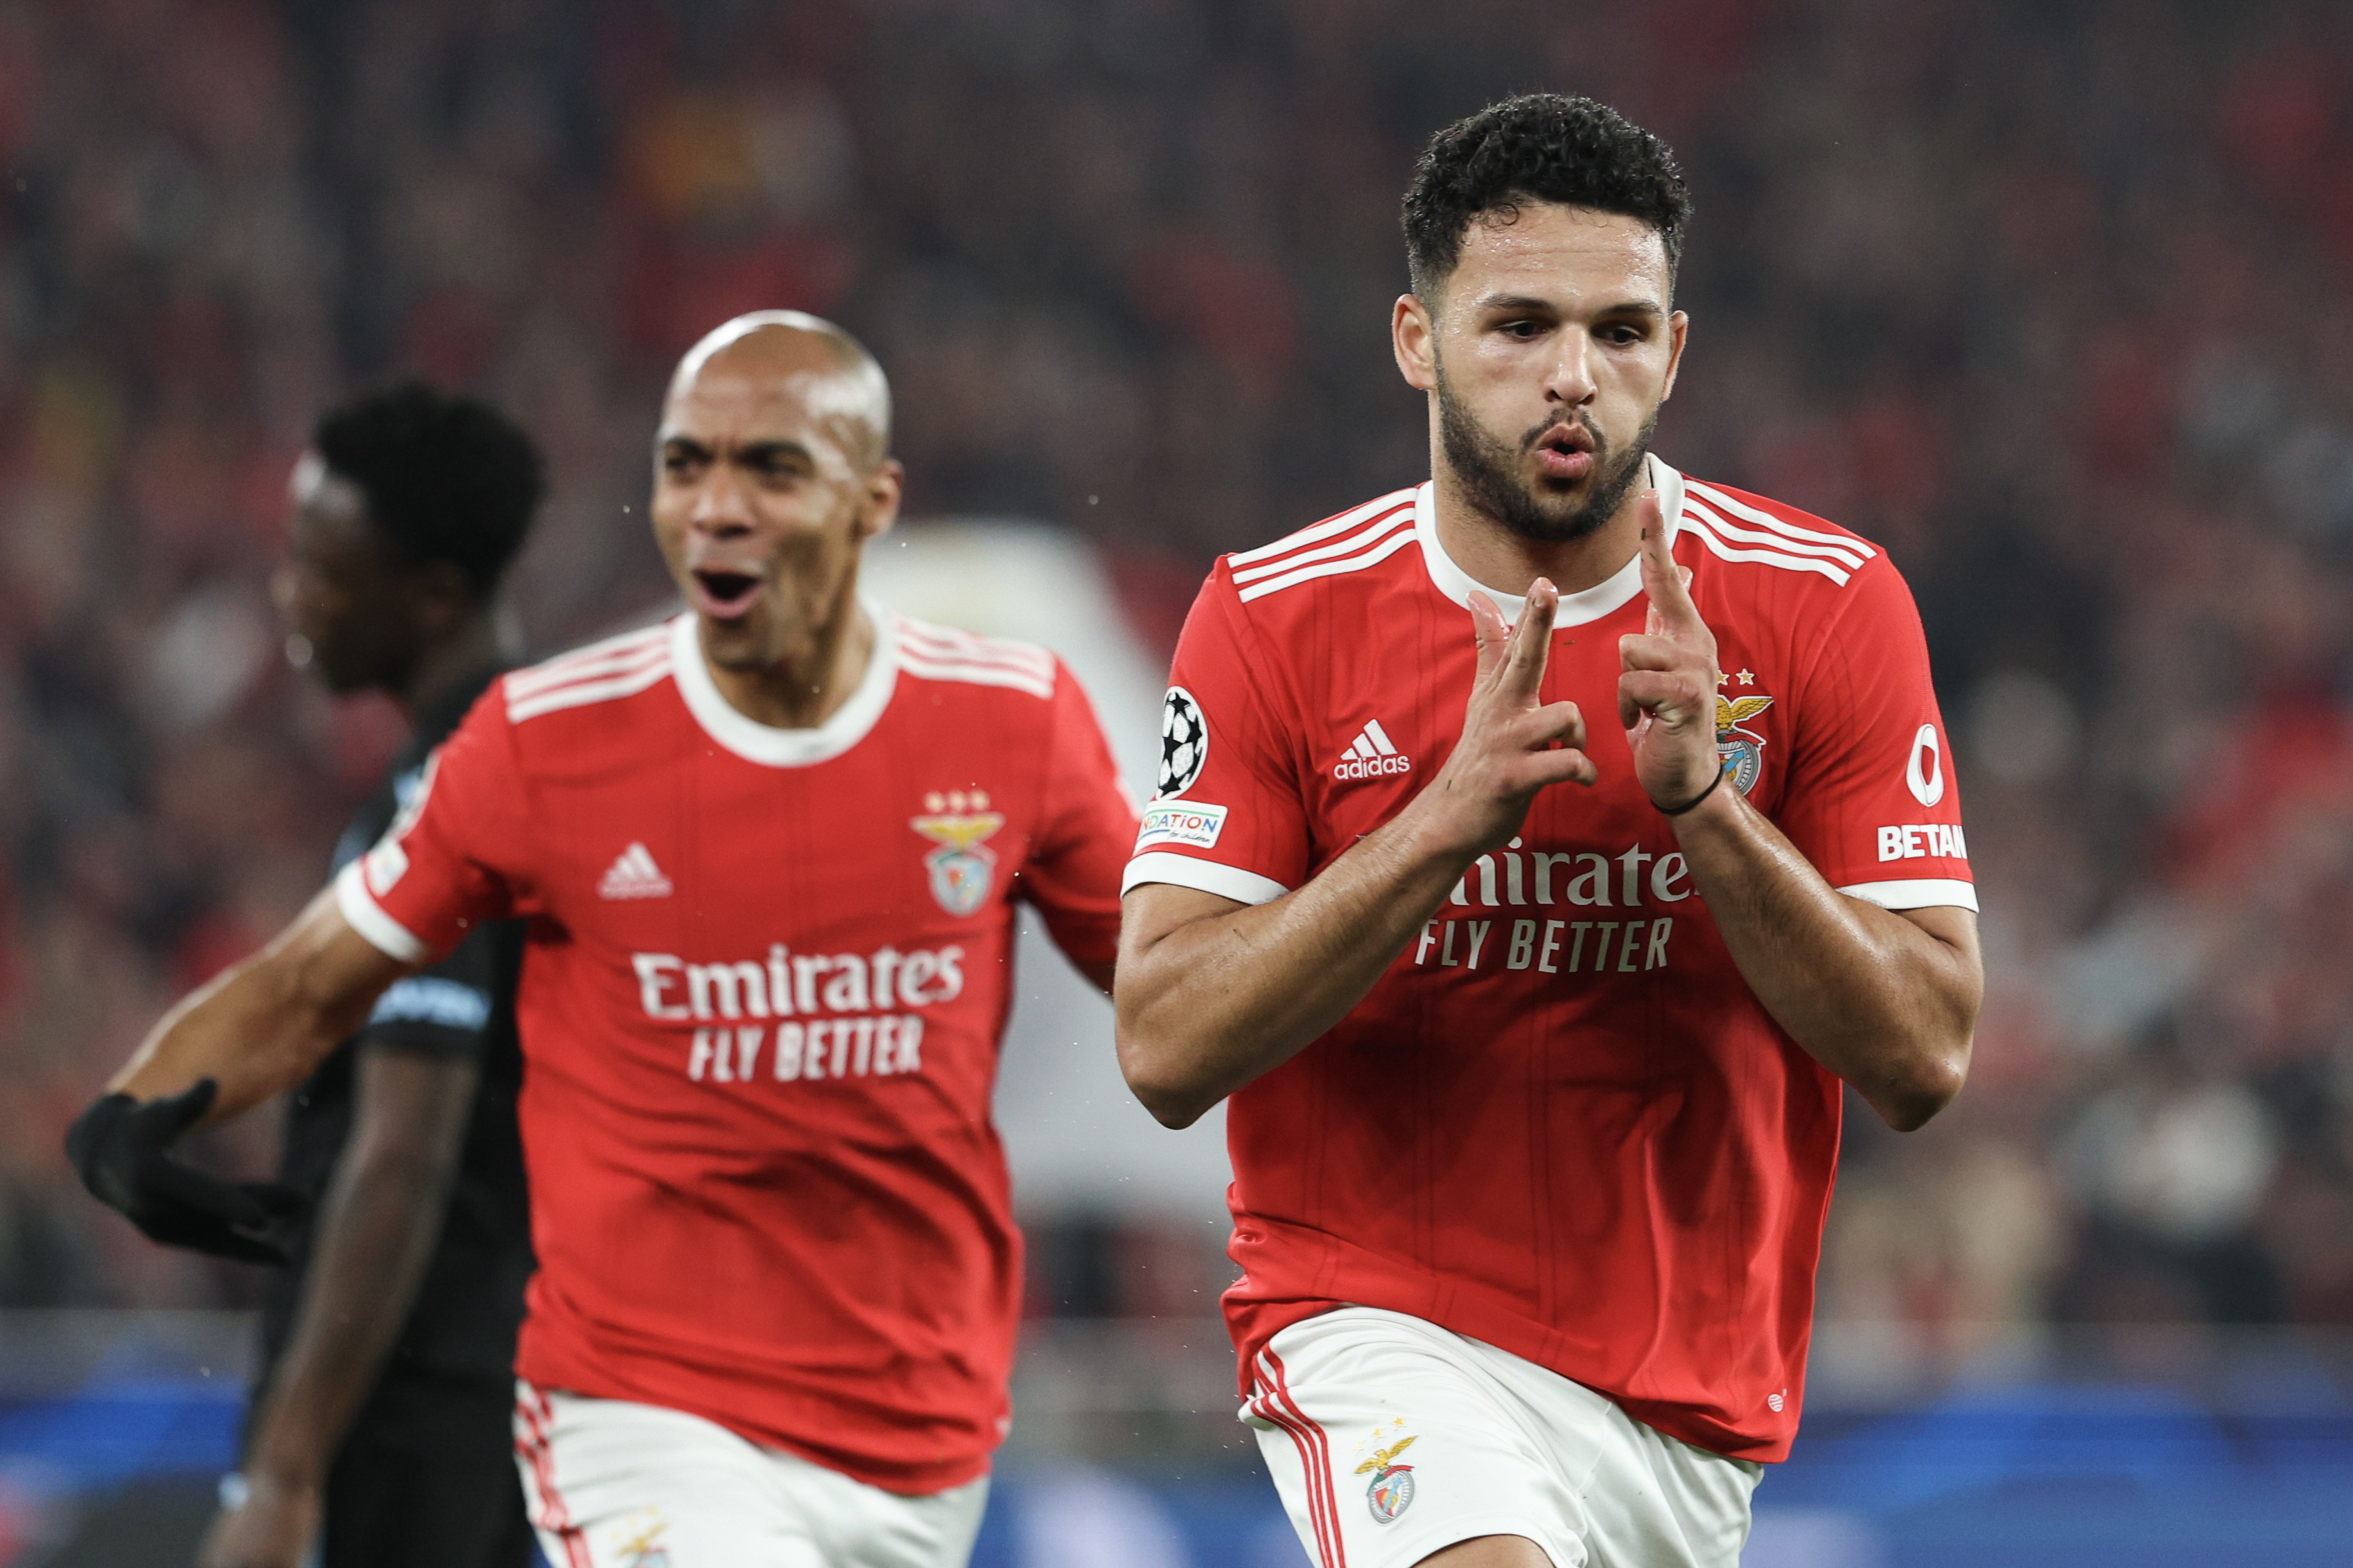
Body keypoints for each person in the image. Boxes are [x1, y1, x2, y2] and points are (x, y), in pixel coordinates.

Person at [68, 311, 1138, 1568]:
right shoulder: (542, 746)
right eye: (687, 466)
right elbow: (313, 987)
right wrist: (137, 1109)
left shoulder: (1011, 722)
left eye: (771, 468)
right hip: (636, 1414)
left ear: (873, 502)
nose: (717, 508)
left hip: (918, 1434)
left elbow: (1172, 1004)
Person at [1114, 94, 1983, 1568]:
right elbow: (1165, 1044)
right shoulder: (1272, 616)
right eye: (1519, 326)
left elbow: (1925, 1054)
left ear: (1675, 352)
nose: (1574, 375)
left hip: (1690, 1396)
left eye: (1620, 331)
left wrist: (1707, 806)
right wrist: (1442, 823)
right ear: (1417, 339)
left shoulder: (1825, 604)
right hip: (1375, 1320)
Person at [89, 383, 545, 1568]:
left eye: (321, 568)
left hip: (421, 1410)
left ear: (431, 595)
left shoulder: (456, 799)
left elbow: (404, 1150)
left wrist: (286, 1468)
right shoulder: (524, 764)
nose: (289, 595)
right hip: (496, 1387)